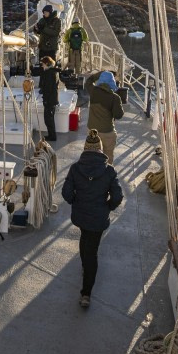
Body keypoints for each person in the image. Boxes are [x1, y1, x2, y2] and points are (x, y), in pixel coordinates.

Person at [61, 130, 124, 308]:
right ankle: (86, 294)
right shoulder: (109, 171)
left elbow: (66, 193)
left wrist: (75, 201)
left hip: (81, 215)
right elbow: (118, 196)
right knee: (93, 251)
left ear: (85, 149)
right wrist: (108, 207)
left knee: (84, 238)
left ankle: (84, 267)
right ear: (100, 150)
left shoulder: (75, 168)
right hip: (98, 217)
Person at [84, 70, 125, 165]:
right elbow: (118, 115)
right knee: (107, 157)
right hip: (107, 132)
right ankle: (106, 175)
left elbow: (89, 81)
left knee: (91, 155)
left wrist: (101, 73)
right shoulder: (115, 98)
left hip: (92, 130)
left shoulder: (93, 91)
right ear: (112, 82)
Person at [38, 56, 60, 142]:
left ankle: (52, 136)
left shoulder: (48, 74)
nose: (42, 66)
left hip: (49, 100)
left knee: (48, 119)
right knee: (49, 118)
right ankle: (51, 135)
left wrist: (46, 100)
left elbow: (48, 88)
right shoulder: (54, 72)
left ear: (47, 64)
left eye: (43, 64)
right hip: (53, 99)